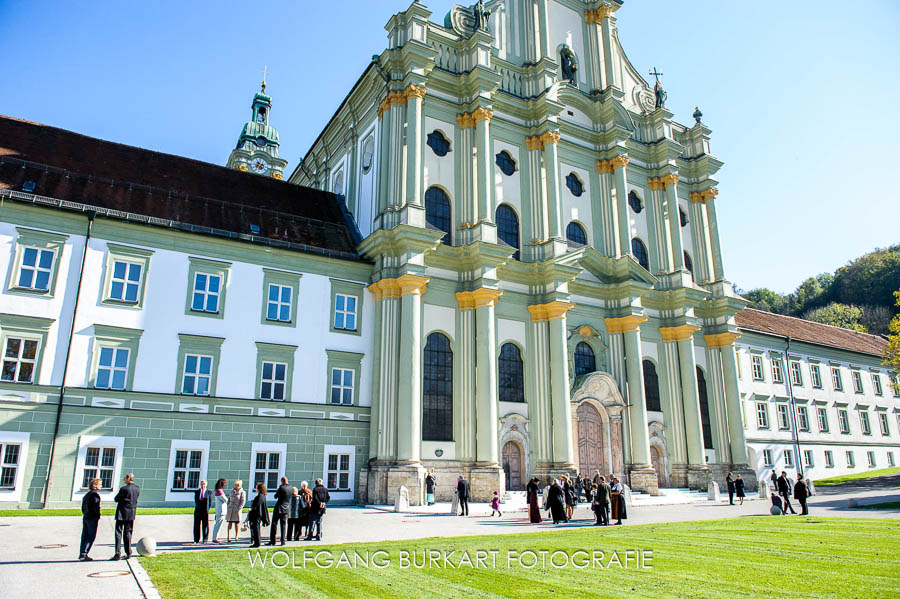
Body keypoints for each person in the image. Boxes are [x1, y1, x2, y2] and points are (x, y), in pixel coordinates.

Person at [112, 473, 139, 560]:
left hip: (122, 513)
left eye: (125, 478)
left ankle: (117, 553)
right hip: (131, 513)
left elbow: (116, 499)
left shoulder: (124, 489)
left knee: (118, 533)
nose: (124, 480)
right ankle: (128, 552)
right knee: (128, 533)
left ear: (128, 478)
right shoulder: (137, 488)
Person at [79, 478, 102, 561]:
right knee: (91, 536)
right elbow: (96, 507)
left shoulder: (87, 494)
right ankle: (84, 553)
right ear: (95, 485)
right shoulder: (95, 495)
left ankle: (82, 553)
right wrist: (97, 515)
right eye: (100, 484)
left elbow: (83, 507)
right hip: (92, 518)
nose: (101, 486)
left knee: (84, 536)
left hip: (86, 516)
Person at [269, 476, 292, 545]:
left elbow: (275, 496)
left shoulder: (281, 488)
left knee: (274, 524)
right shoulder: (291, 487)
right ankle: (283, 541)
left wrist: (279, 488)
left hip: (279, 507)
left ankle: (273, 541)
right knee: (284, 525)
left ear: (282, 481)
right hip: (286, 507)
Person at [247, 483, 269, 548]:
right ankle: (257, 542)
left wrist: (252, 506)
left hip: (256, 514)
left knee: (256, 528)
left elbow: (255, 506)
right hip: (259, 514)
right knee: (257, 528)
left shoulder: (259, 497)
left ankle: (257, 542)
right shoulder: (263, 496)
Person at [211, 478, 228, 543]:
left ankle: (216, 537)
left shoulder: (218, 490)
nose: (225, 484)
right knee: (218, 524)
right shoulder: (219, 491)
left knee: (218, 524)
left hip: (220, 510)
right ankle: (214, 538)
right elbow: (225, 499)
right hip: (221, 510)